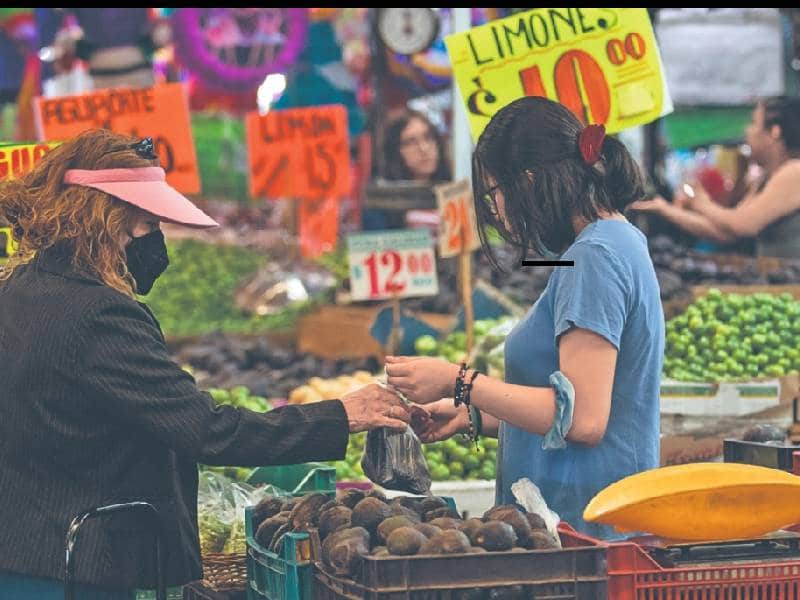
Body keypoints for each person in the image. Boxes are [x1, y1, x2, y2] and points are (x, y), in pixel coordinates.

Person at [0, 129, 410, 599]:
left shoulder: (20, 291)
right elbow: (206, 429)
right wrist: (340, 414)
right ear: (104, 219)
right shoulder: (100, 314)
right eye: (148, 224)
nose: (157, 239)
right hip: (74, 569)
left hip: (22, 553)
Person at [386, 97, 664, 539]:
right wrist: (473, 416)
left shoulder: (595, 255)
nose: (494, 210)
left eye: (494, 193)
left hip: (585, 535)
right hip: (584, 525)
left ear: (529, 181)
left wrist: (460, 380)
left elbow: (583, 420)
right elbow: (575, 406)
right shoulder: (613, 241)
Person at [631, 97, 800, 258]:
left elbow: (743, 225)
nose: (747, 131)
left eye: (754, 123)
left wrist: (701, 204)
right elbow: (726, 232)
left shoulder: (794, 172)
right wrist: (665, 209)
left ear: (775, 132)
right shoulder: (766, 178)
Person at [363, 110, 452, 230]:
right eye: (411, 142)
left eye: (428, 138)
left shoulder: (453, 190)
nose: (424, 148)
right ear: (395, 151)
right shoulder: (381, 203)